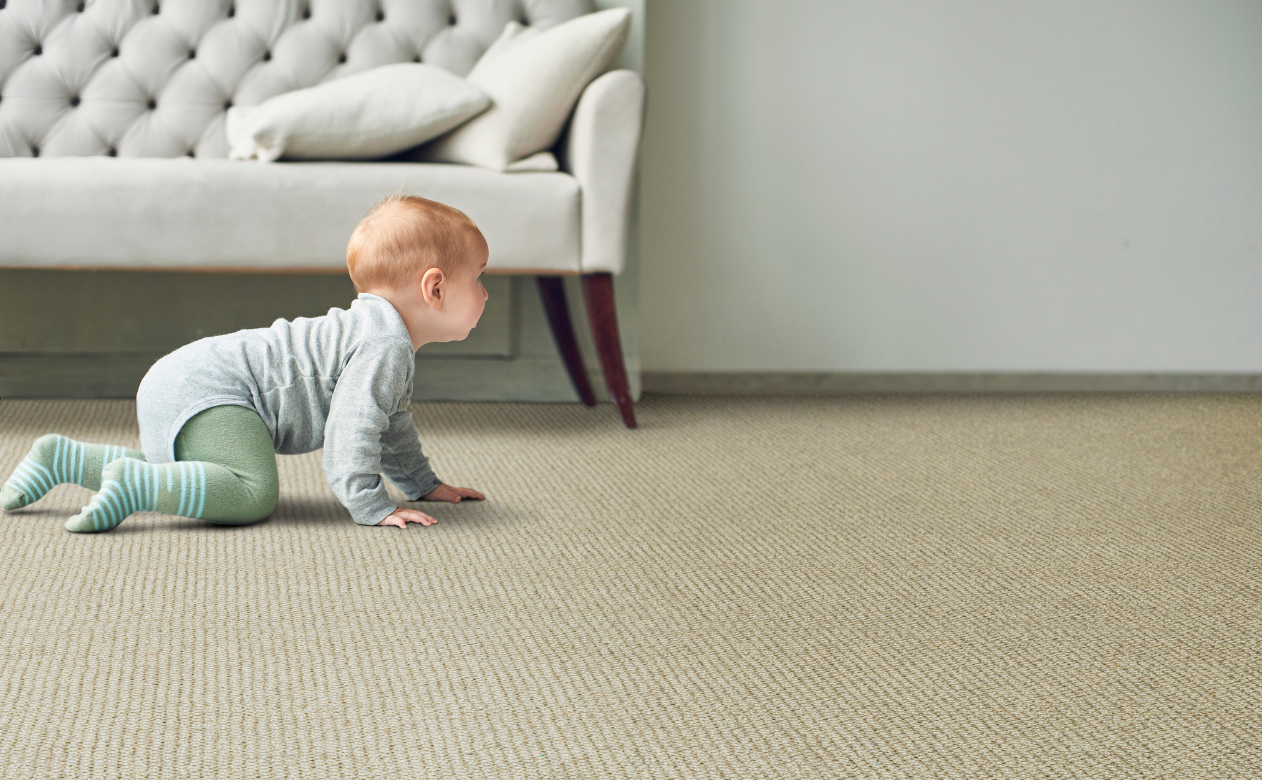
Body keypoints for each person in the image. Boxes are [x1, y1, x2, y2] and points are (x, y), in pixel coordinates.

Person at [0, 194, 487, 532]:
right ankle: (137, 487)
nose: (486, 293)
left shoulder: (377, 335)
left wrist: (423, 486)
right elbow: (354, 427)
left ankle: (62, 458)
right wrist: (370, 504)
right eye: (480, 278)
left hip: (178, 381)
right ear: (435, 288)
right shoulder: (384, 343)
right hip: (216, 391)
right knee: (251, 493)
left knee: (191, 473)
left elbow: (389, 423)